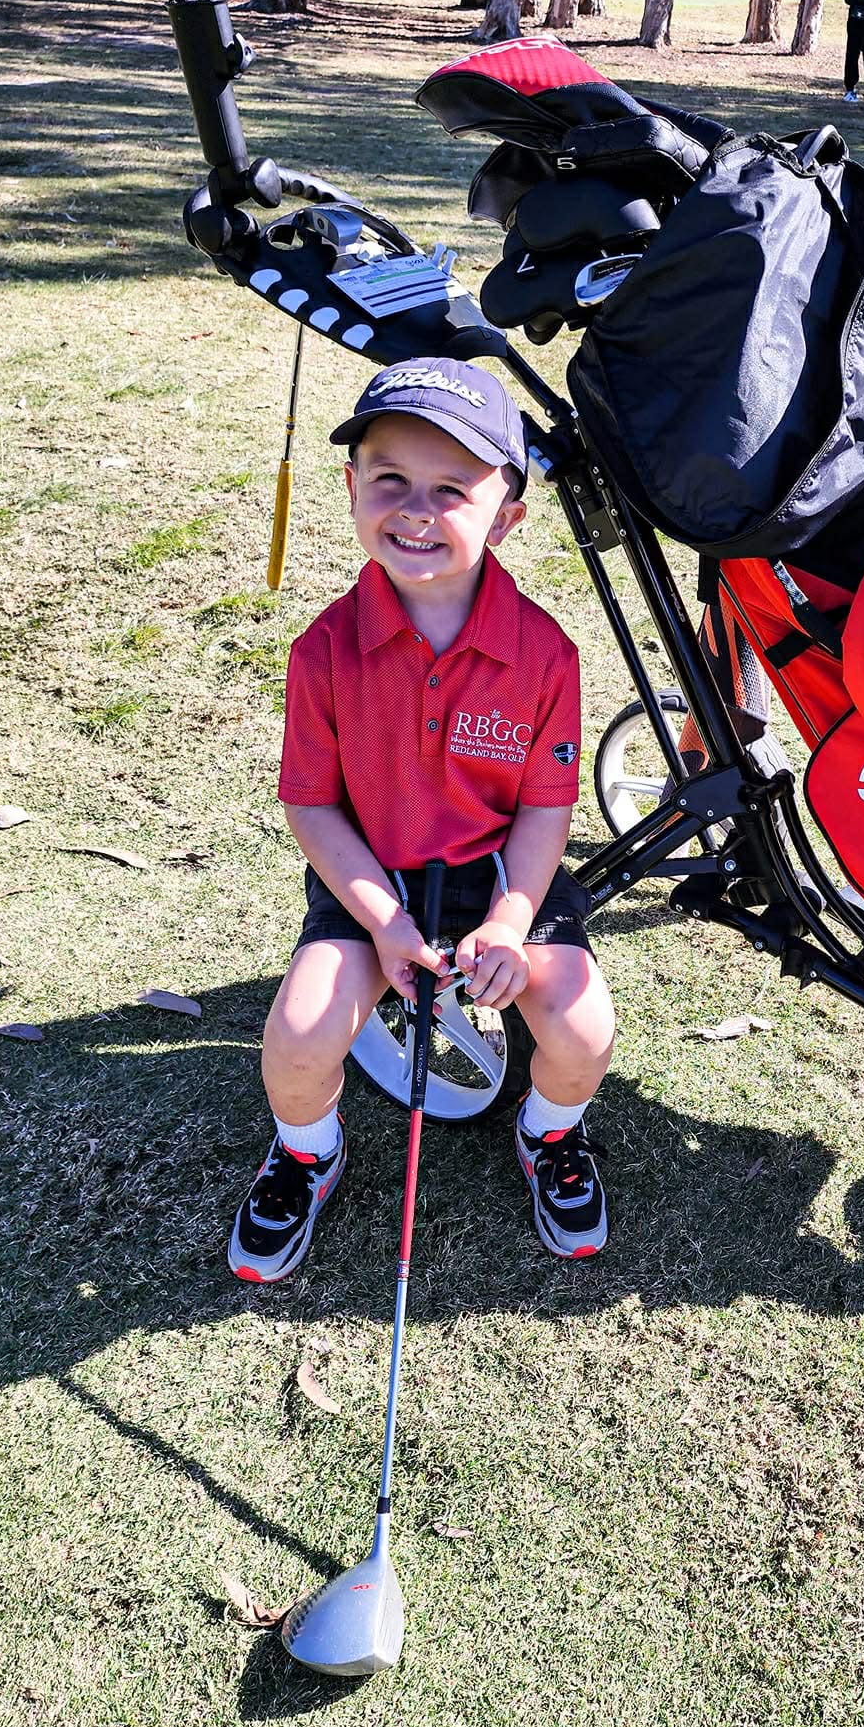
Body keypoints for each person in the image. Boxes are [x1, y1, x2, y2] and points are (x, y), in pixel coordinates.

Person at [229, 358, 616, 1283]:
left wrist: (510, 927)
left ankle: (550, 1135)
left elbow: (543, 812)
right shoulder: (322, 651)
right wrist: (384, 922)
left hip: (502, 880)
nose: (414, 509)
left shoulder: (546, 654)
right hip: (377, 880)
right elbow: (312, 805)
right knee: (299, 1035)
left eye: (451, 489)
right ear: (352, 484)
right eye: (390, 478)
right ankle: (308, 1153)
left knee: (582, 1028)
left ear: (508, 515)